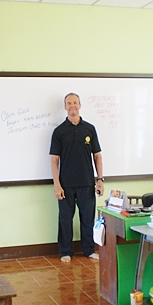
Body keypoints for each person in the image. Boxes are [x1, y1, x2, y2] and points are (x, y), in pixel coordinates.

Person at [49, 92, 104, 263]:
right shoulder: (59, 131)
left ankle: (88, 250)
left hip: (87, 182)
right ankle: (66, 251)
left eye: (75, 102)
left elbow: (97, 156)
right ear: (65, 107)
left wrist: (100, 180)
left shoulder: (90, 129)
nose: (72, 105)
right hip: (66, 184)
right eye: (69, 103)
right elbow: (54, 160)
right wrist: (57, 185)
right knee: (65, 219)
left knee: (87, 218)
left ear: (80, 105)